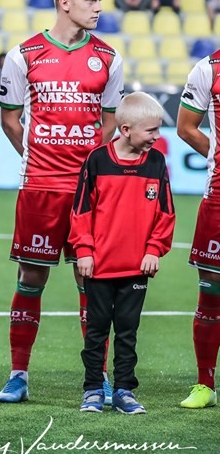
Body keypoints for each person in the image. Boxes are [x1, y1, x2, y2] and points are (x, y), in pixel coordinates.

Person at [0, 0, 125, 404]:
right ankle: (18, 375)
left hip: (90, 192)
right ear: (64, 2)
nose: (99, 7)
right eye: (92, 0)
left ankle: (98, 377)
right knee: (30, 277)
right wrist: (37, 157)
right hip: (39, 187)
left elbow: (110, 122)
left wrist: (89, 166)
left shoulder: (109, 58)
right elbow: (10, 119)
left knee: (93, 283)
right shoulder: (24, 54)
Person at [71, 92, 174, 414]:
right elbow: (81, 210)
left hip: (137, 267)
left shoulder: (156, 162)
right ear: (125, 128)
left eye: (158, 130)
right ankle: (92, 389)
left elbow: (166, 213)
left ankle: (125, 390)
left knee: (128, 332)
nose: (157, 137)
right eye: (151, 131)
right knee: (97, 332)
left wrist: (154, 249)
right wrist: (84, 250)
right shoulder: (97, 160)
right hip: (99, 266)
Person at [176, 44, 220, 409]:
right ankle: (205, 383)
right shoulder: (209, 68)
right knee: (211, 291)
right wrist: (216, 155)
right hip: (218, 195)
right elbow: (186, 127)